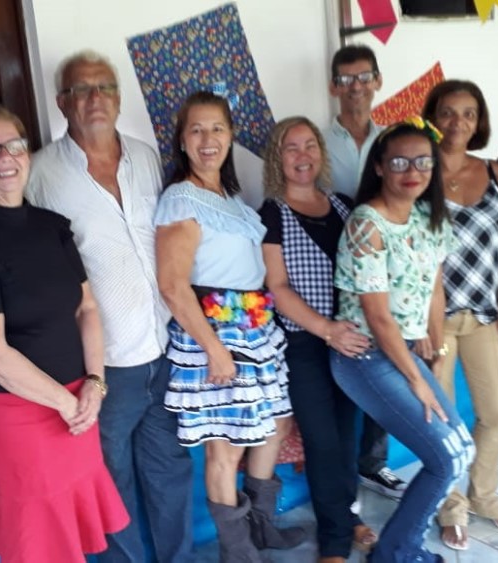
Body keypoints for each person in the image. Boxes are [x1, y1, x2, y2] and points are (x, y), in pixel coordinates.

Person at [25, 49, 194, 562]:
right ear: (62, 102)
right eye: (81, 89)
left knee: (170, 474)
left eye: (104, 87)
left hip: (165, 351)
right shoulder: (38, 173)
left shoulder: (147, 157)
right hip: (103, 367)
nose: (94, 98)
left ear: (119, 99)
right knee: (107, 484)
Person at [0, 105, 128, 561]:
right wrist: (65, 403)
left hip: (77, 402)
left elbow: (86, 308)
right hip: (17, 415)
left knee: (71, 532)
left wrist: (96, 382)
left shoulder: (53, 227)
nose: (5, 157)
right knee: (37, 541)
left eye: (14, 145)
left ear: (28, 154)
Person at [155, 91, 305, 561]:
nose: (208, 139)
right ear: (182, 140)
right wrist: (214, 350)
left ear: (230, 135)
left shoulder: (232, 200)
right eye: (197, 129)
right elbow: (173, 285)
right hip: (214, 333)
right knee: (226, 450)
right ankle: (237, 552)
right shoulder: (182, 199)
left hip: (255, 329)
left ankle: (261, 526)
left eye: (217, 128)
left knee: (274, 426)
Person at [330, 117, 475, 563]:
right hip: (366, 357)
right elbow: (378, 316)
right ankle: (397, 553)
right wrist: (416, 379)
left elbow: (434, 287)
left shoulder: (431, 219)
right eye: (399, 162)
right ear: (379, 166)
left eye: (423, 161)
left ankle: (398, 550)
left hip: (404, 352)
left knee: (461, 450)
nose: (412, 171)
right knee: (446, 459)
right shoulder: (366, 222)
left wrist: (435, 345)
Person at [259, 116, 378, 563]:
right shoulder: (272, 213)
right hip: (306, 346)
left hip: (352, 343)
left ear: (321, 153)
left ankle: (346, 516)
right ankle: (334, 542)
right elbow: (278, 288)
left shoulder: (345, 206)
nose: (302, 155)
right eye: (291, 147)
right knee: (323, 442)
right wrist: (327, 330)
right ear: (278, 159)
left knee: (347, 437)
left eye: (309, 145)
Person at [420, 80, 498, 550]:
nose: (457, 122)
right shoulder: (421, 171)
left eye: (468, 113)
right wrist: (422, 326)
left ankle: (484, 494)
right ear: (433, 117)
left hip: (484, 313)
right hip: (435, 318)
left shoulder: (495, 172)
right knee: (442, 420)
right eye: (447, 111)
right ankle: (452, 506)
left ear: (479, 120)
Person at [321, 44, 407, 499]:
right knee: (343, 359)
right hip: (330, 265)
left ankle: (374, 463)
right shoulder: (317, 142)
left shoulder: (393, 141)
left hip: (386, 266)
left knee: (384, 355)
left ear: (377, 81)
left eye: (363, 77)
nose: (355, 87)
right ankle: (337, 472)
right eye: (345, 79)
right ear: (333, 87)